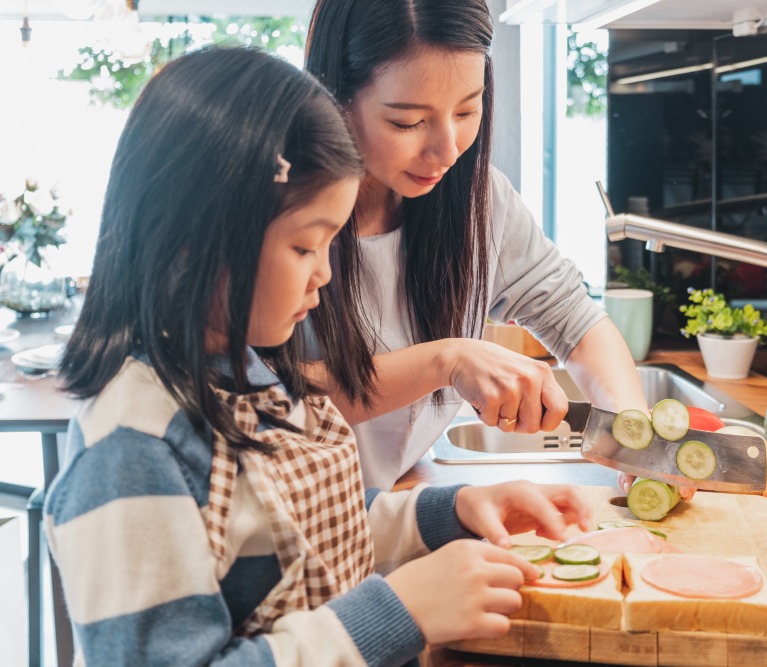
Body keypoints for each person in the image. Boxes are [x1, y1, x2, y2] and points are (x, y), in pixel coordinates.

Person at [47, 46, 590, 666]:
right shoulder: (130, 450)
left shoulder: (245, 373)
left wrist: (451, 511)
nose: (325, 275)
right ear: (203, 241)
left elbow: (305, 527)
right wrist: (400, 611)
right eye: (306, 247)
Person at [304, 0, 648, 490]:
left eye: (468, 108)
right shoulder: (276, 209)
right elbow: (257, 395)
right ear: (335, 95)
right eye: (408, 122)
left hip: (390, 509)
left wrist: (634, 437)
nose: (447, 150)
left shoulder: (478, 199)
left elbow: (576, 321)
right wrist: (445, 362)